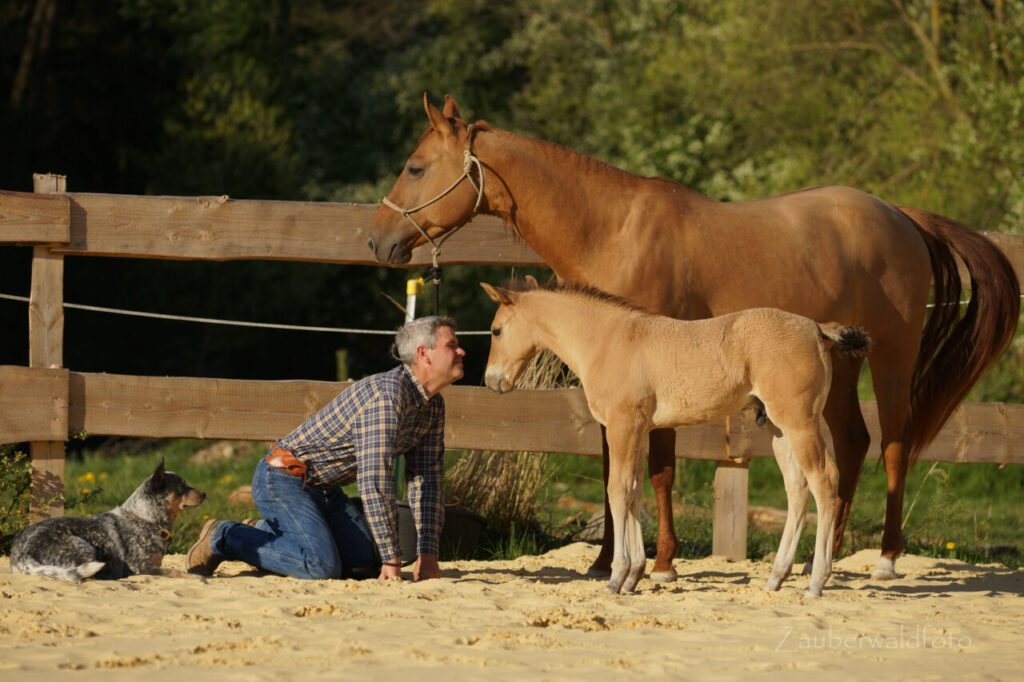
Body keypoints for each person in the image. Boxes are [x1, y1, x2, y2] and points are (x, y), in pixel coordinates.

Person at [187, 315, 465, 581]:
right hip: (285, 479)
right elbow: (374, 480)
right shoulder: (387, 397)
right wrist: (392, 560)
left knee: (364, 565)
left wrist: (427, 553)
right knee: (321, 566)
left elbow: (426, 480)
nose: (461, 351)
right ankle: (224, 536)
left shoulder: (433, 405)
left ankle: (266, 531)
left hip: (325, 491)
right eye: (451, 345)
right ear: (423, 353)